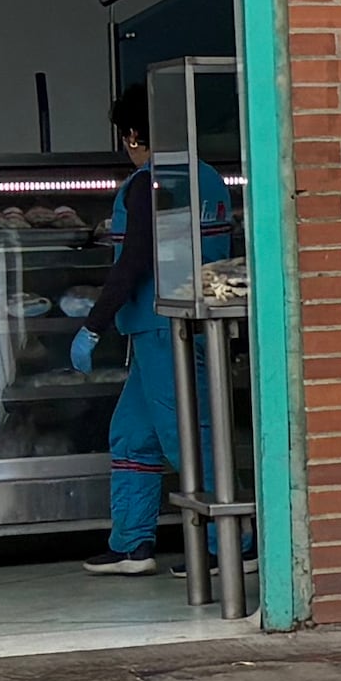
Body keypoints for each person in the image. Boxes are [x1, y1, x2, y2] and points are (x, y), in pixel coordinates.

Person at [64, 84, 223, 575]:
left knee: (188, 438)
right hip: (185, 323)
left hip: (163, 330)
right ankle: (132, 544)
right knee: (133, 434)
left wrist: (93, 325)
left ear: (134, 134)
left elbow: (134, 261)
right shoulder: (208, 177)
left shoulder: (146, 184)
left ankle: (232, 545)